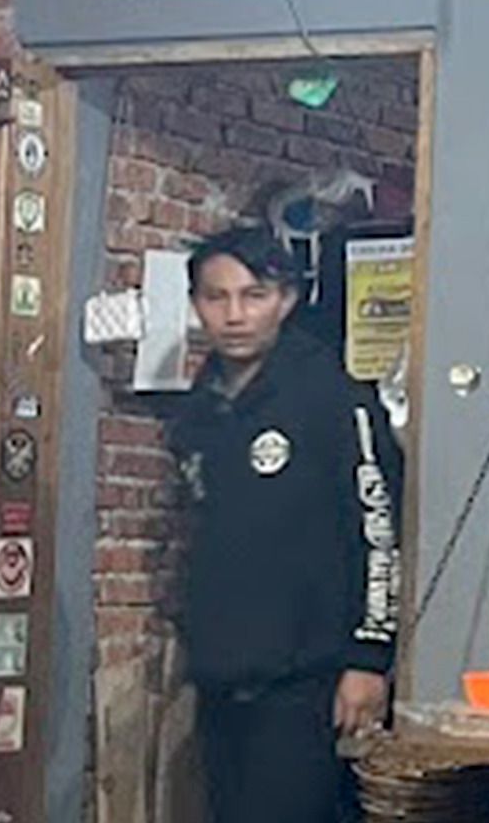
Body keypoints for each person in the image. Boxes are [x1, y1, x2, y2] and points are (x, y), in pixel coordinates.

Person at [168, 227, 404, 823]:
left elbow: (379, 532)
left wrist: (369, 658)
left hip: (310, 682)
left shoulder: (332, 396)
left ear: (286, 299)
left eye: (254, 295)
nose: (235, 315)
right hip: (221, 676)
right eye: (217, 297)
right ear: (196, 304)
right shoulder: (198, 410)